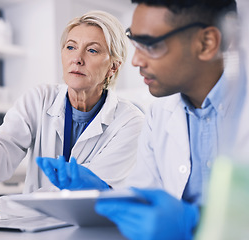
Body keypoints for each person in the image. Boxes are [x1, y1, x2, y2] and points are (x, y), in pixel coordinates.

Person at [37, 0, 241, 239]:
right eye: (135, 42)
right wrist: (102, 192)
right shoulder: (159, 115)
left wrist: (196, 221)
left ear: (206, 43)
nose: (136, 61)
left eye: (151, 45)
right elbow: (145, 200)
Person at [0, 10, 144, 217]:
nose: (77, 58)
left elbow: (80, 197)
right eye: (70, 47)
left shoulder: (130, 122)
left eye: (92, 51)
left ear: (113, 67)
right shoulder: (39, 99)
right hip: (37, 230)